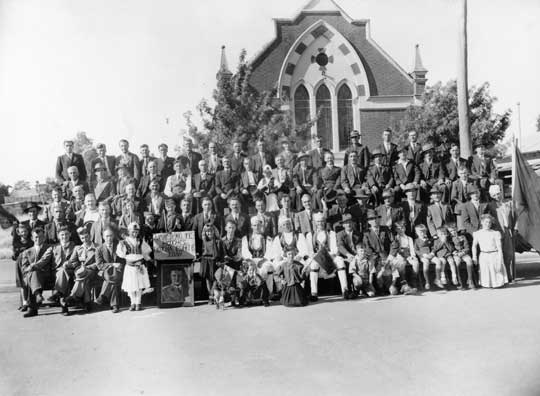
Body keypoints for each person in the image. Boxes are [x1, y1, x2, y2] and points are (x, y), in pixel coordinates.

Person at [305, 212, 351, 301]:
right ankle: (313, 293)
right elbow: (310, 251)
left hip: (330, 256)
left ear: (324, 222)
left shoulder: (331, 233)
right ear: (314, 222)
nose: (320, 224)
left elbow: (334, 250)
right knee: (314, 265)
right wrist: (318, 255)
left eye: (322, 221)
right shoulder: (310, 235)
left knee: (340, 261)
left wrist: (326, 255)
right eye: (318, 221)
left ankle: (345, 290)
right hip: (317, 258)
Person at [117, 222, 152, 311]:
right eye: (133, 231)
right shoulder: (124, 242)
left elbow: (145, 252)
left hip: (139, 266)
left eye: (136, 232)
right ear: (129, 231)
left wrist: (149, 259)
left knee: (139, 286)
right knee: (131, 286)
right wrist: (121, 247)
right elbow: (121, 255)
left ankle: (138, 303)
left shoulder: (140, 241)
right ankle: (132, 303)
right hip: (130, 267)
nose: (135, 233)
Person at [20, 227, 53, 318]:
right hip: (32, 276)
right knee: (32, 274)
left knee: (32, 274)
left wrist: (32, 266)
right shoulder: (27, 252)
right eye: (36, 237)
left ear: (44, 238)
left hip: (46, 275)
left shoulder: (49, 248)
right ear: (32, 238)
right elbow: (24, 268)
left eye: (41, 237)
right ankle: (38, 295)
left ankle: (32, 308)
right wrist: (30, 269)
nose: (38, 239)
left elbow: (45, 260)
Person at [485, 184, 515, 281]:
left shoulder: (507, 203)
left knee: (509, 253)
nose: (497, 196)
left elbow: (513, 216)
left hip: (507, 230)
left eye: (498, 194)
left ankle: (508, 273)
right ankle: (501, 276)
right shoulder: (489, 206)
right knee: (498, 254)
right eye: (494, 195)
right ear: (491, 195)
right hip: (496, 232)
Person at [65, 227, 98, 312]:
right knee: (84, 278)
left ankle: (74, 295)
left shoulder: (97, 247)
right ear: (80, 238)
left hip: (92, 270)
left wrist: (88, 267)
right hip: (80, 271)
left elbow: (99, 262)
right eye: (82, 238)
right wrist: (71, 264)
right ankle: (87, 303)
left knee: (83, 274)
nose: (85, 239)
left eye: (86, 237)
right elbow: (72, 261)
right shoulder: (77, 248)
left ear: (90, 236)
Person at [471, 214, 508, 288]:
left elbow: (499, 248)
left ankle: (498, 284)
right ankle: (487, 284)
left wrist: (500, 260)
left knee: (496, 270)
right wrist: (474, 257)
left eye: (489, 222)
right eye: (486, 222)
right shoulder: (477, 233)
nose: (488, 224)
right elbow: (474, 246)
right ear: (481, 222)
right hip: (484, 255)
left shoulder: (495, 233)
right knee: (485, 271)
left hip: (494, 255)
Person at [95, 227, 124, 313]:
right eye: (107, 236)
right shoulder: (99, 249)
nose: (109, 238)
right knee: (112, 277)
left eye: (111, 236)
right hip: (105, 271)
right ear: (103, 237)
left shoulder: (118, 246)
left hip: (118, 271)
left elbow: (123, 259)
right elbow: (99, 265)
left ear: (114, 236)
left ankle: (103, 296)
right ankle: (114, 305)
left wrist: (119, 265)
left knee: (114, 275)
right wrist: (112, 265)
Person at [50, 226, 77, 315]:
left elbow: (79, 261)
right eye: (62, 235)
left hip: (71, 270)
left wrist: (71, 264)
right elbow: (45, 259)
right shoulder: (54, 247)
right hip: (56, 272)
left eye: (66, 234)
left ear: (70, 235)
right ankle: (63, 302)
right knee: (62, 273)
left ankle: (60, 296)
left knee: (63, 272)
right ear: (58, 236)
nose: (64, 237)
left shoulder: (75, 246)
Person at [387, 220, 418, 295]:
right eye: (398, 228)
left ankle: (412, 281)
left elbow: (412, 249)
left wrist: (412, 256)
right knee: (401, 263)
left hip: (408, 255)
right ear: (396, 230)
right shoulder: (395, 238)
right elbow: (395, 250)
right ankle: (404, 285)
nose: (400, 230)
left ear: (405, 228)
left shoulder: (409, 238)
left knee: (415, 263)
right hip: (399, 255)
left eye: (402, 228)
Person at [12, 223, 34, 312]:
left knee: (28, 282)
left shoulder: (31, 242)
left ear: (28, 232)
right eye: (22, 232)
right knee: (22, 284)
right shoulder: (16, 243)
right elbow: (14, 256)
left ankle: (30, 302)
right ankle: (24, 303)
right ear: (18, 233)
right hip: (19, 264)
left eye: (25, 231)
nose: (24, 233)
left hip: (29, 264)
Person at [448, 222, 475, 289]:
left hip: (464, 253)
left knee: (469, 260)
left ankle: (470, 280)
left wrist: (463, 252)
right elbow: (450, 248)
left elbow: (467, 247)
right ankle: (460, 282)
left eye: (454, 230)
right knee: (457, 262)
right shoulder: (449, 239)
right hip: (456, 254)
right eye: (451, 231)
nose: (453, 232)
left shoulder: (462, 236)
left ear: (456, 229)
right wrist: (455, 253)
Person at [413, 224, 441, 290]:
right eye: (420, 232)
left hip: (430, 255)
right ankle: (427, 282)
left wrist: (432, 253)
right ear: (416, 233)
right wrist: (423, 255)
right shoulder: (416, 241)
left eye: (424, 231)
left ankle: (437, 279)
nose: (422, 233)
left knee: (438, 261)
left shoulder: (429, 239)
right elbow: (416, 250)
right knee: (426, 263)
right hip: (423, 256)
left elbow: (433, 247)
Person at [200, 223, 222, 304]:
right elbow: (202, 252)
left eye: (211, 231)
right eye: (207, 232)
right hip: (206, 262)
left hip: (215, 261)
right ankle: (211, 295)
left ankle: (212, 295)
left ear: (214, 231)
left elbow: (220, 252)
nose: (209, 233)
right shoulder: (203, 241)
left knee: (216, 279)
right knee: (208, 280)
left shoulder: (217, 241)